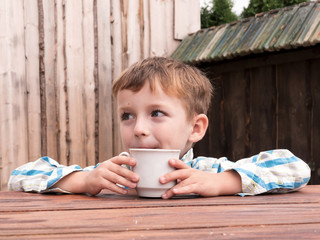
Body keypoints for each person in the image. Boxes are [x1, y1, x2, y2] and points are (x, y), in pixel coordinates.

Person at [8, 57, 311, 199]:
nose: (138, 128)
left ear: (196, 128)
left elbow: (294, 167)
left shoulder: (207, 172)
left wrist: (222, 184)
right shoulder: (114, 177)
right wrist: (84, 180)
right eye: (127, 115)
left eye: (156, 113)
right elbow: (20, 175)